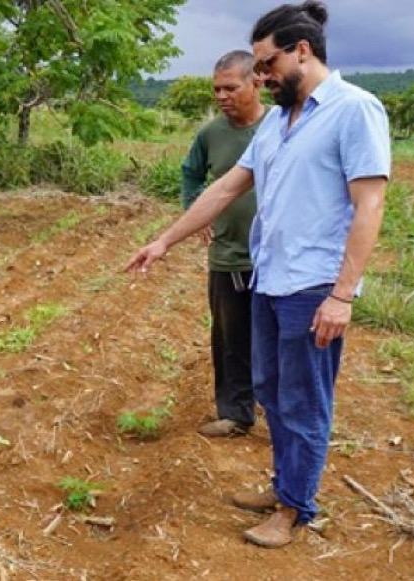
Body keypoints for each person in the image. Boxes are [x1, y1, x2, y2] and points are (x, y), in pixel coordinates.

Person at [125, 0, 390, 548]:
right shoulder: (279, 123)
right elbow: (224, 188)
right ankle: (284, 484)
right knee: (269, 387)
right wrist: (165, 240)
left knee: (303, 399)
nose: (262, 77)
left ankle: (295, 509)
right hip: (270, 277)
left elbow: (369, 206)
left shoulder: (354, 110)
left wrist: (342, 295)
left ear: (302, 51)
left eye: (267, 66)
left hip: (314, 285)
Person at [181, 50, 267, 438]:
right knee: (230, 338)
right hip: (229, 255)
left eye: (230, 87)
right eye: (216, 89)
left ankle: (279, 411)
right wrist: (194, 213)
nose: (221, 96)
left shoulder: (281, 127)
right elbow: (190, 174)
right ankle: (236, 413)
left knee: (277, 339)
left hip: (278, 258)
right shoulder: (211, 134)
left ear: (256, 82)